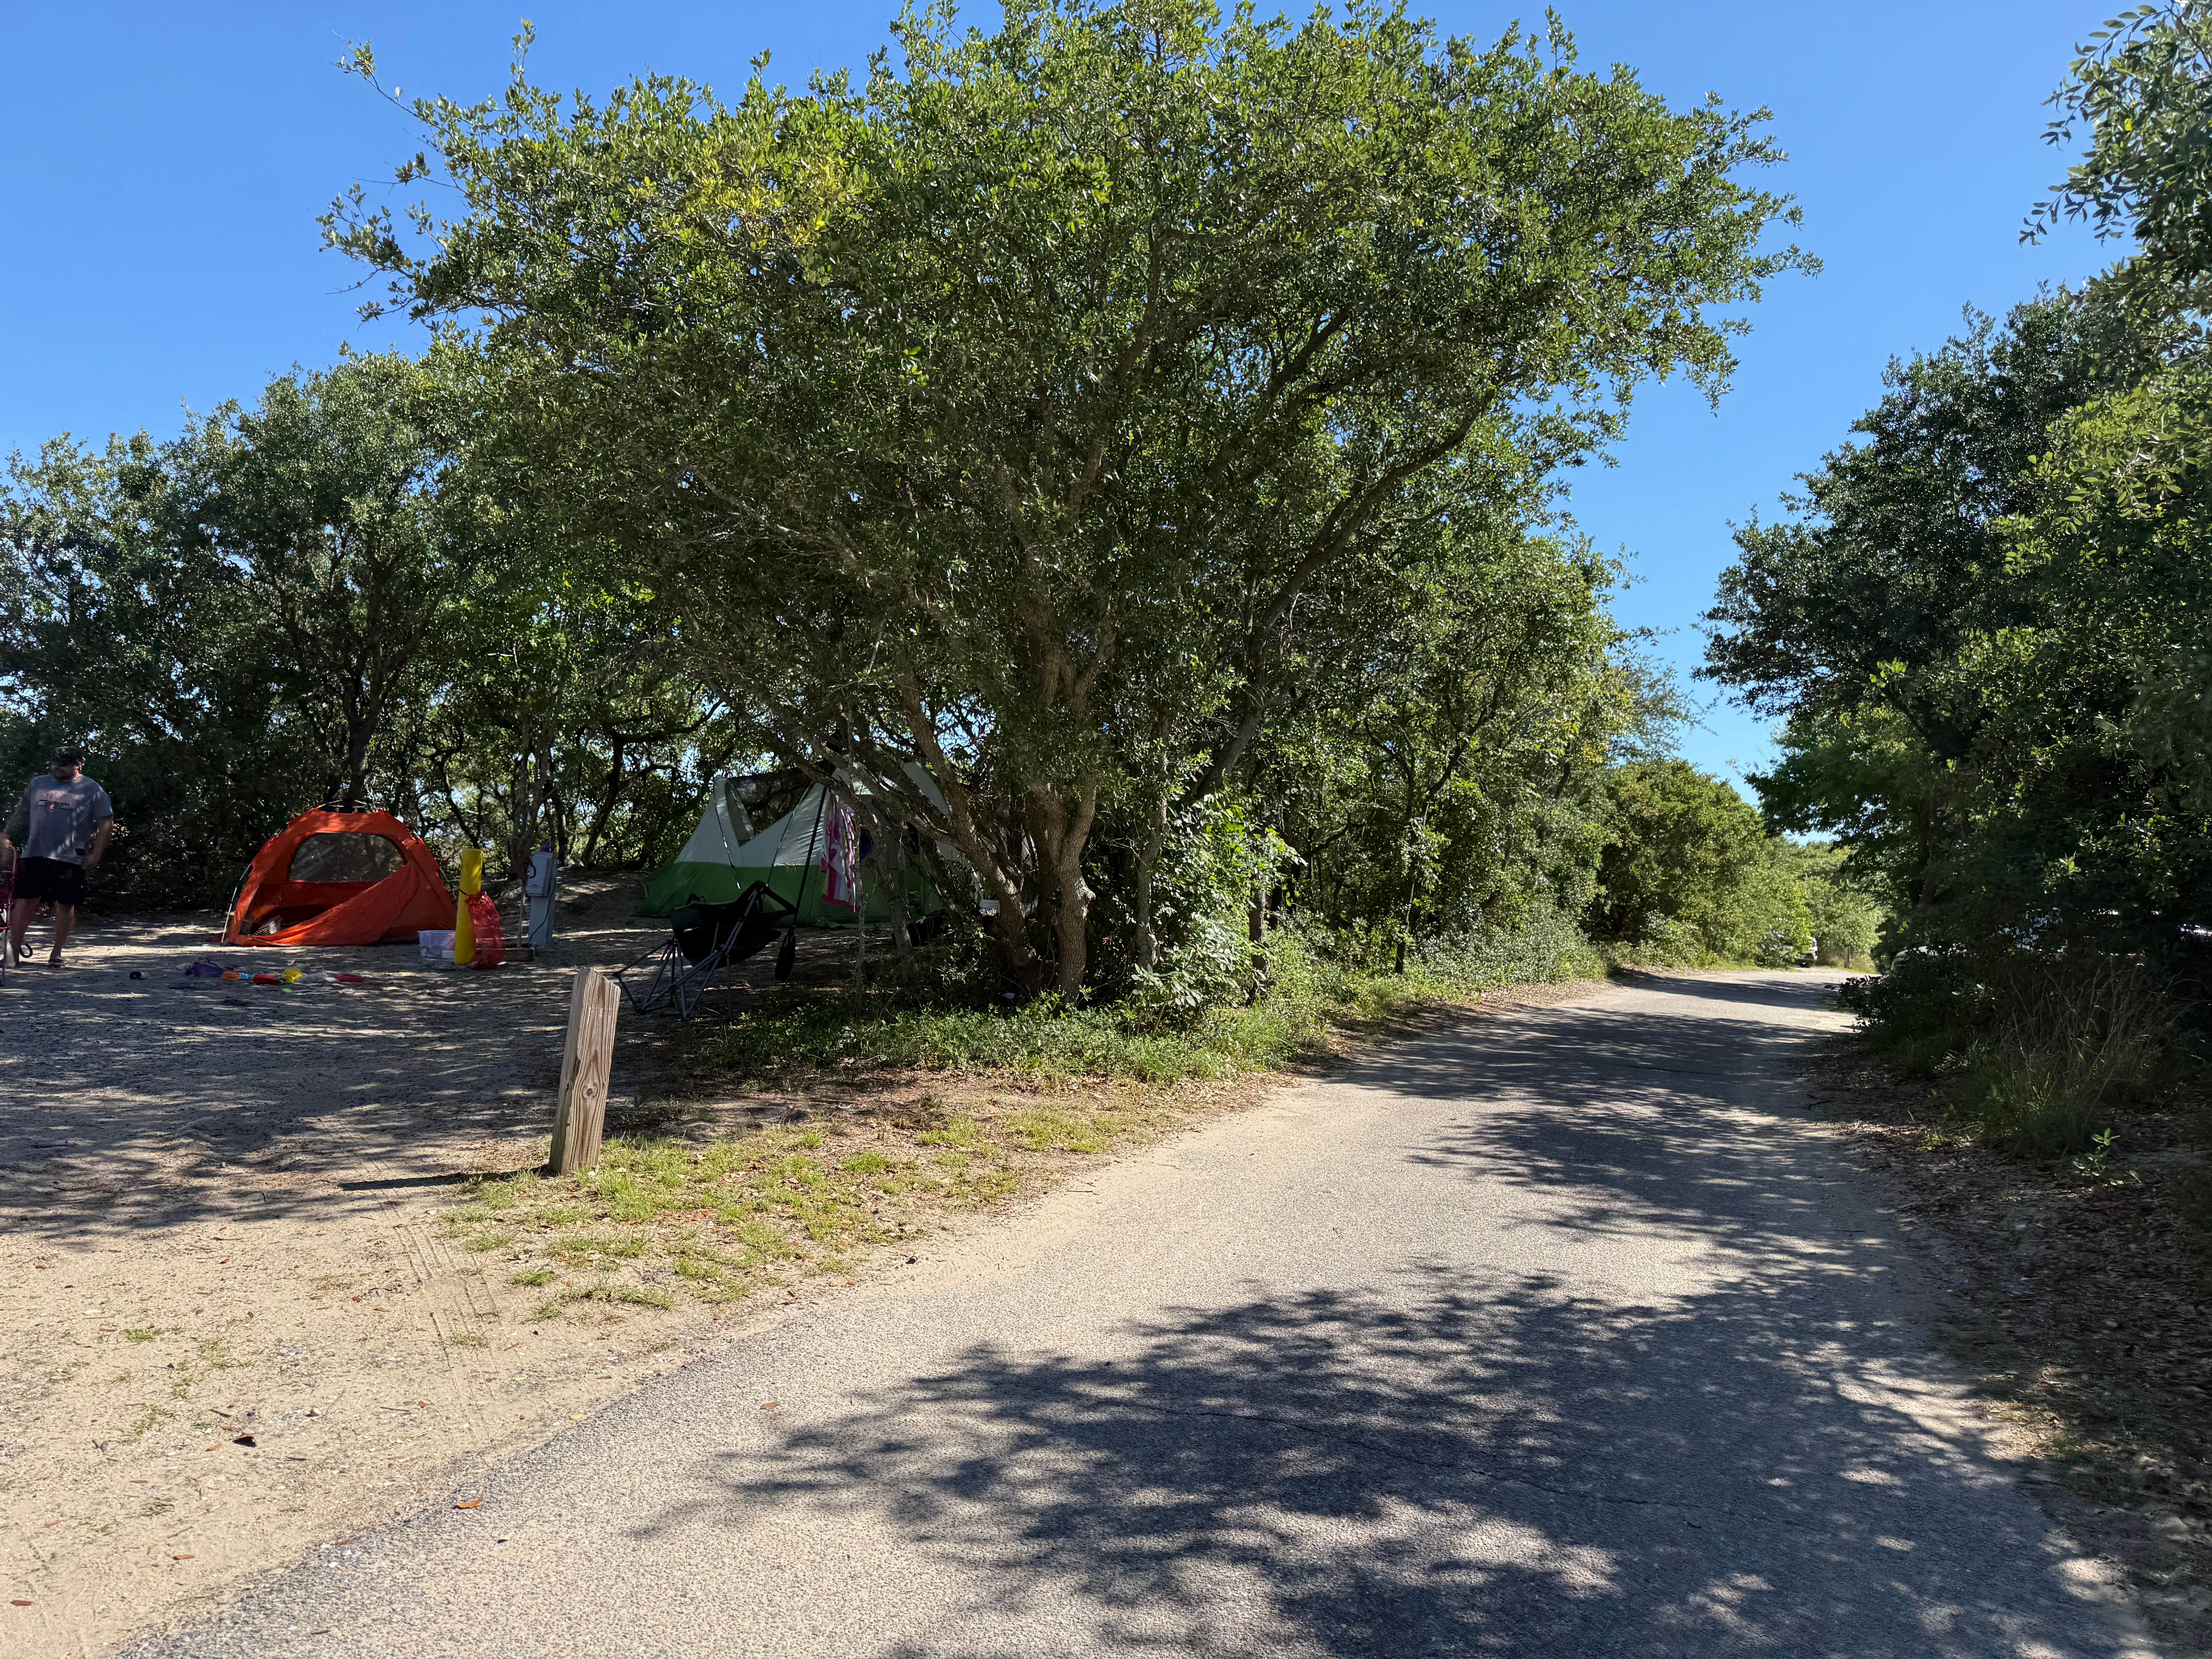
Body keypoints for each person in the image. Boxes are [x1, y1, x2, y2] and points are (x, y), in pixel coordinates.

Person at [2, 747, 115, 968]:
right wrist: (6, 835)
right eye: (54, 764)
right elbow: (23, 812)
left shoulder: (92, 789)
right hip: (34, 853)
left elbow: (106, 822)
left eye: (63, 765)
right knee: (23, 903)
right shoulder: (38, 783)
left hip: (70, 858)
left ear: (78, 766)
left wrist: (96, 854)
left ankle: (57, 954)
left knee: (64, 905)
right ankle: (12, 953)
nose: (57, 768)